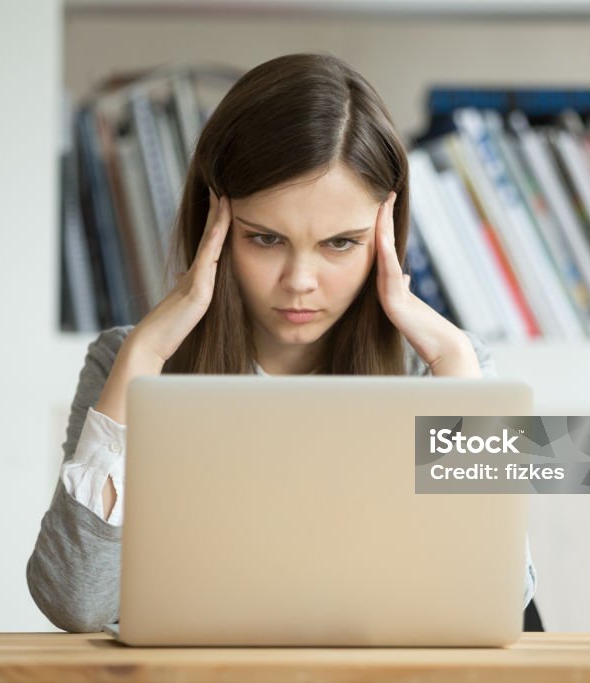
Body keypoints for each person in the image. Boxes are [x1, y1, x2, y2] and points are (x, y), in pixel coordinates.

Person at [27, 52, 536, 633]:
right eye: (266, 238)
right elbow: (75, 602)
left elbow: (502, 596)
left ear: (386, 235)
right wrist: (141, 358)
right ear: (214, 224)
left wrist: (453, 369)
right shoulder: (127, 362)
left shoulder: (454, 371)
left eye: (341, 244)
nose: (299, 281)